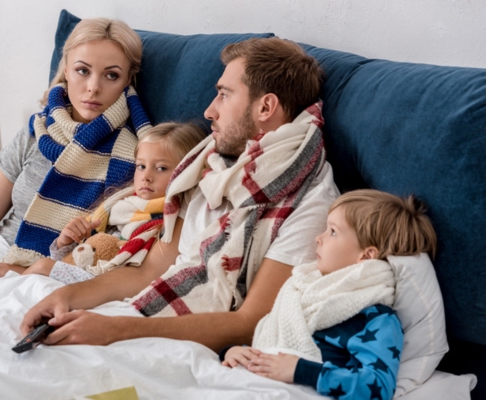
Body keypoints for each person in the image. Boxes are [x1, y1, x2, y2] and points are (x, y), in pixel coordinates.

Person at [20, 37, 340, 352]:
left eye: (224, 95)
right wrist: (66, 296)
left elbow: (252, 320)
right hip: (149, 307)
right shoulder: (211, 166)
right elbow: (150, 271)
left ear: (266, 107)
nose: (209, 111)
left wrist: (117, 330)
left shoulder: (310, 200)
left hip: (191, 338)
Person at [0, 18, 152, 297]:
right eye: (82, 71)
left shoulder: (134, 158)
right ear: (65, 70)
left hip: (50, 277)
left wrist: (2, 272)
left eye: (111, 75)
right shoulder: (36, 131)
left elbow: (100, 262)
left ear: (127, 80)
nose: (93, 87)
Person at [220, 189, 437, 400]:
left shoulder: (376, 319)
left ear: (367, 255)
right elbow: (277, 344)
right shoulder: (301, 293)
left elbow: (378, 387)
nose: (318, 238)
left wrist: (301, 370)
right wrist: (236, 352)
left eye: (332, 231)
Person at [22, 122, 207, 283]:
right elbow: (81, 258)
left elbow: (138, 273)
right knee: (40, 269)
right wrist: (66, 243)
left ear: (188, 174)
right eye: (141, 166)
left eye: (161, 168)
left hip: (111, 282)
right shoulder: (119, 207)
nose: (146, 177)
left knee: (41, 267)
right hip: (90, 274)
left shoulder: (173, 222)